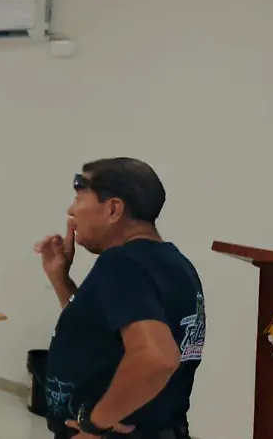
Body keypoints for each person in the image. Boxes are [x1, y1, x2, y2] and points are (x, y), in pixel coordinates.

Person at [35, 159, 201, 439]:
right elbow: (99, 334)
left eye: (79, 197)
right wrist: (60, 279)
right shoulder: (177, 264)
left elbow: (157, 358)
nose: (71, 211)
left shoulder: (121, 263)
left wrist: (93, 426)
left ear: (113, 209)